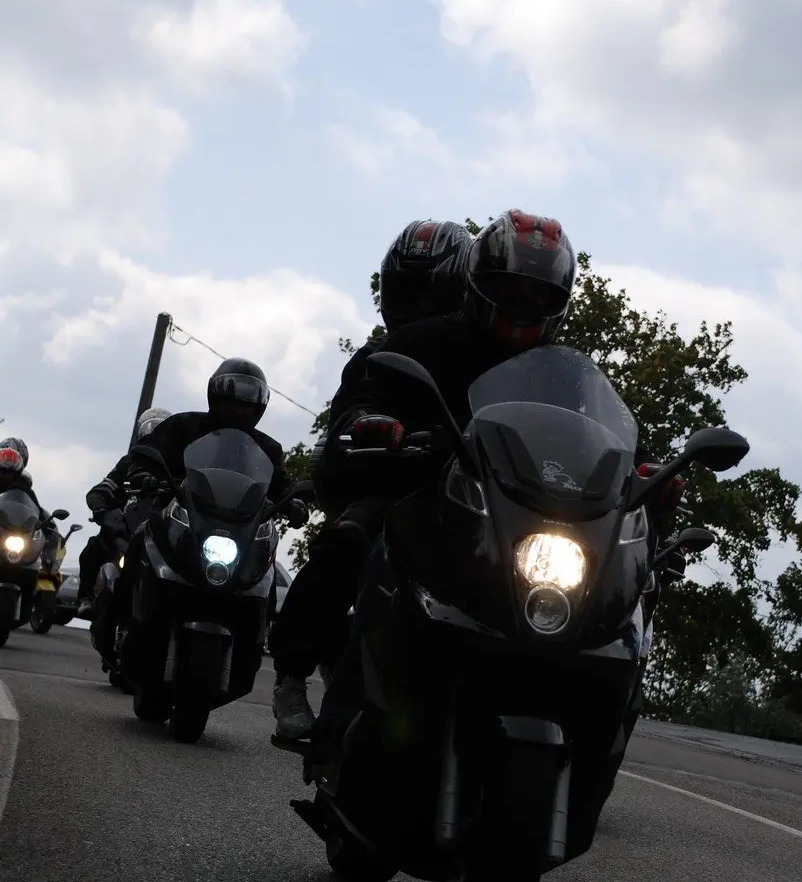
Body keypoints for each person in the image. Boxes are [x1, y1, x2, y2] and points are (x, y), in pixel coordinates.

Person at [305, 209, 685, 779]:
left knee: (612, 604)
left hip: (521, 517)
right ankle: (335, 732)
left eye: (539, 296)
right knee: (384, 560)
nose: (522, 306)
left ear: (559, 302)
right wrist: (372, 423)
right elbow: (368, 397)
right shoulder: (422, 341)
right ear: (478, 284)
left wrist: (648, 473)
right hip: (434, 503)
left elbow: (610, 437)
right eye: (510, 290)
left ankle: (590, 752)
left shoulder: (569, 376)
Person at [270, 219, 474, 739]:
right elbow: (349, 414)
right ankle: (291, 675)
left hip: (482, 497)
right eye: (406, 290)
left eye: (429, 292)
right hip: (400, 488)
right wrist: (366, 424)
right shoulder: (375, 359)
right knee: (346, 541)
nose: (417, 305)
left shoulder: (487, 353)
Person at [113, 360, 307, 627]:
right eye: (230, 402)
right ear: (215, 398)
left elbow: (282, 485)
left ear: (258, 408)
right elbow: (148, 456)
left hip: (240, 527)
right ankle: (121, 621)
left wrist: (294, 502)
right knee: (139, 539)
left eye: (245, 405)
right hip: (178, 511)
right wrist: (144, 474)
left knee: (266, 569)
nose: (237, 410)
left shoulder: (268, 448)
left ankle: (262, 632)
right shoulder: (182, 426)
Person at [75, 407, 172, 619]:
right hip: (127, 528)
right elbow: (104, 487)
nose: (155, 438)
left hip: (162, 531)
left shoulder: (176, 465)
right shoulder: (129, 462)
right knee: (92, 549)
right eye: (152, 431)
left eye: (161, 432)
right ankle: (86, 598)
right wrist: (101, 506)